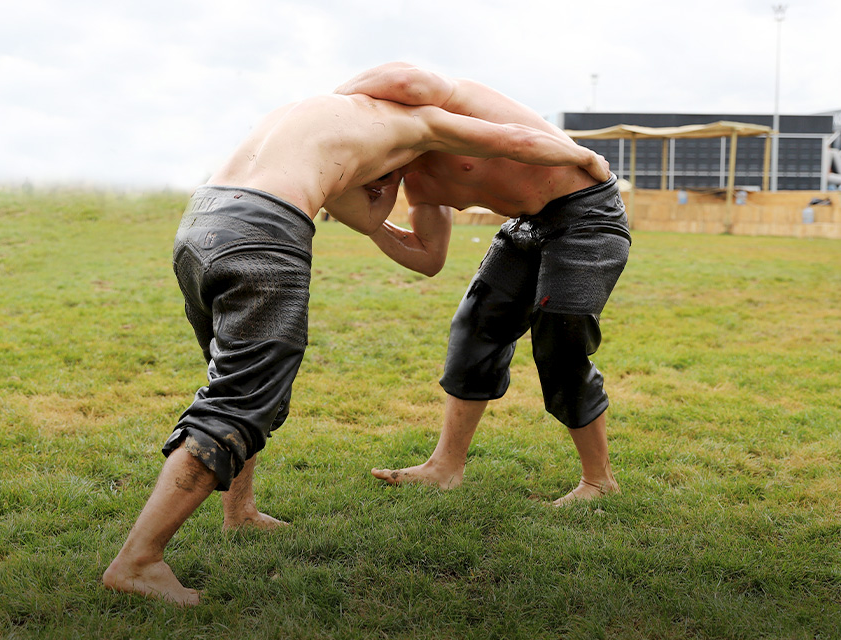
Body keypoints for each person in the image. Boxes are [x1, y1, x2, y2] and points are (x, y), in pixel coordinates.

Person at [102, 86, 610, 606]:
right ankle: (139, 561)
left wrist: (379, 188)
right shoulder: (416, 123)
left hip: (201, 222)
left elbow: (371, 222)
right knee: (239, 401)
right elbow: (514, 140)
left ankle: (241, 512)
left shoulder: (308, 117)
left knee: (232, 379)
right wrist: (585, 157)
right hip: (262, 235)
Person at [334, 62, 628, 506]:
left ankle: (599, 480)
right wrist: (368, 222)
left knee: (560, 342)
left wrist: (330, 107)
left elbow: (407, 80)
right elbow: (428, 258)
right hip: (527, 224)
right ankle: (444, 468)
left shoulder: (437, 105)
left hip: (586, 214)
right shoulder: (415, 180)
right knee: (474, 328)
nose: (380, 182)